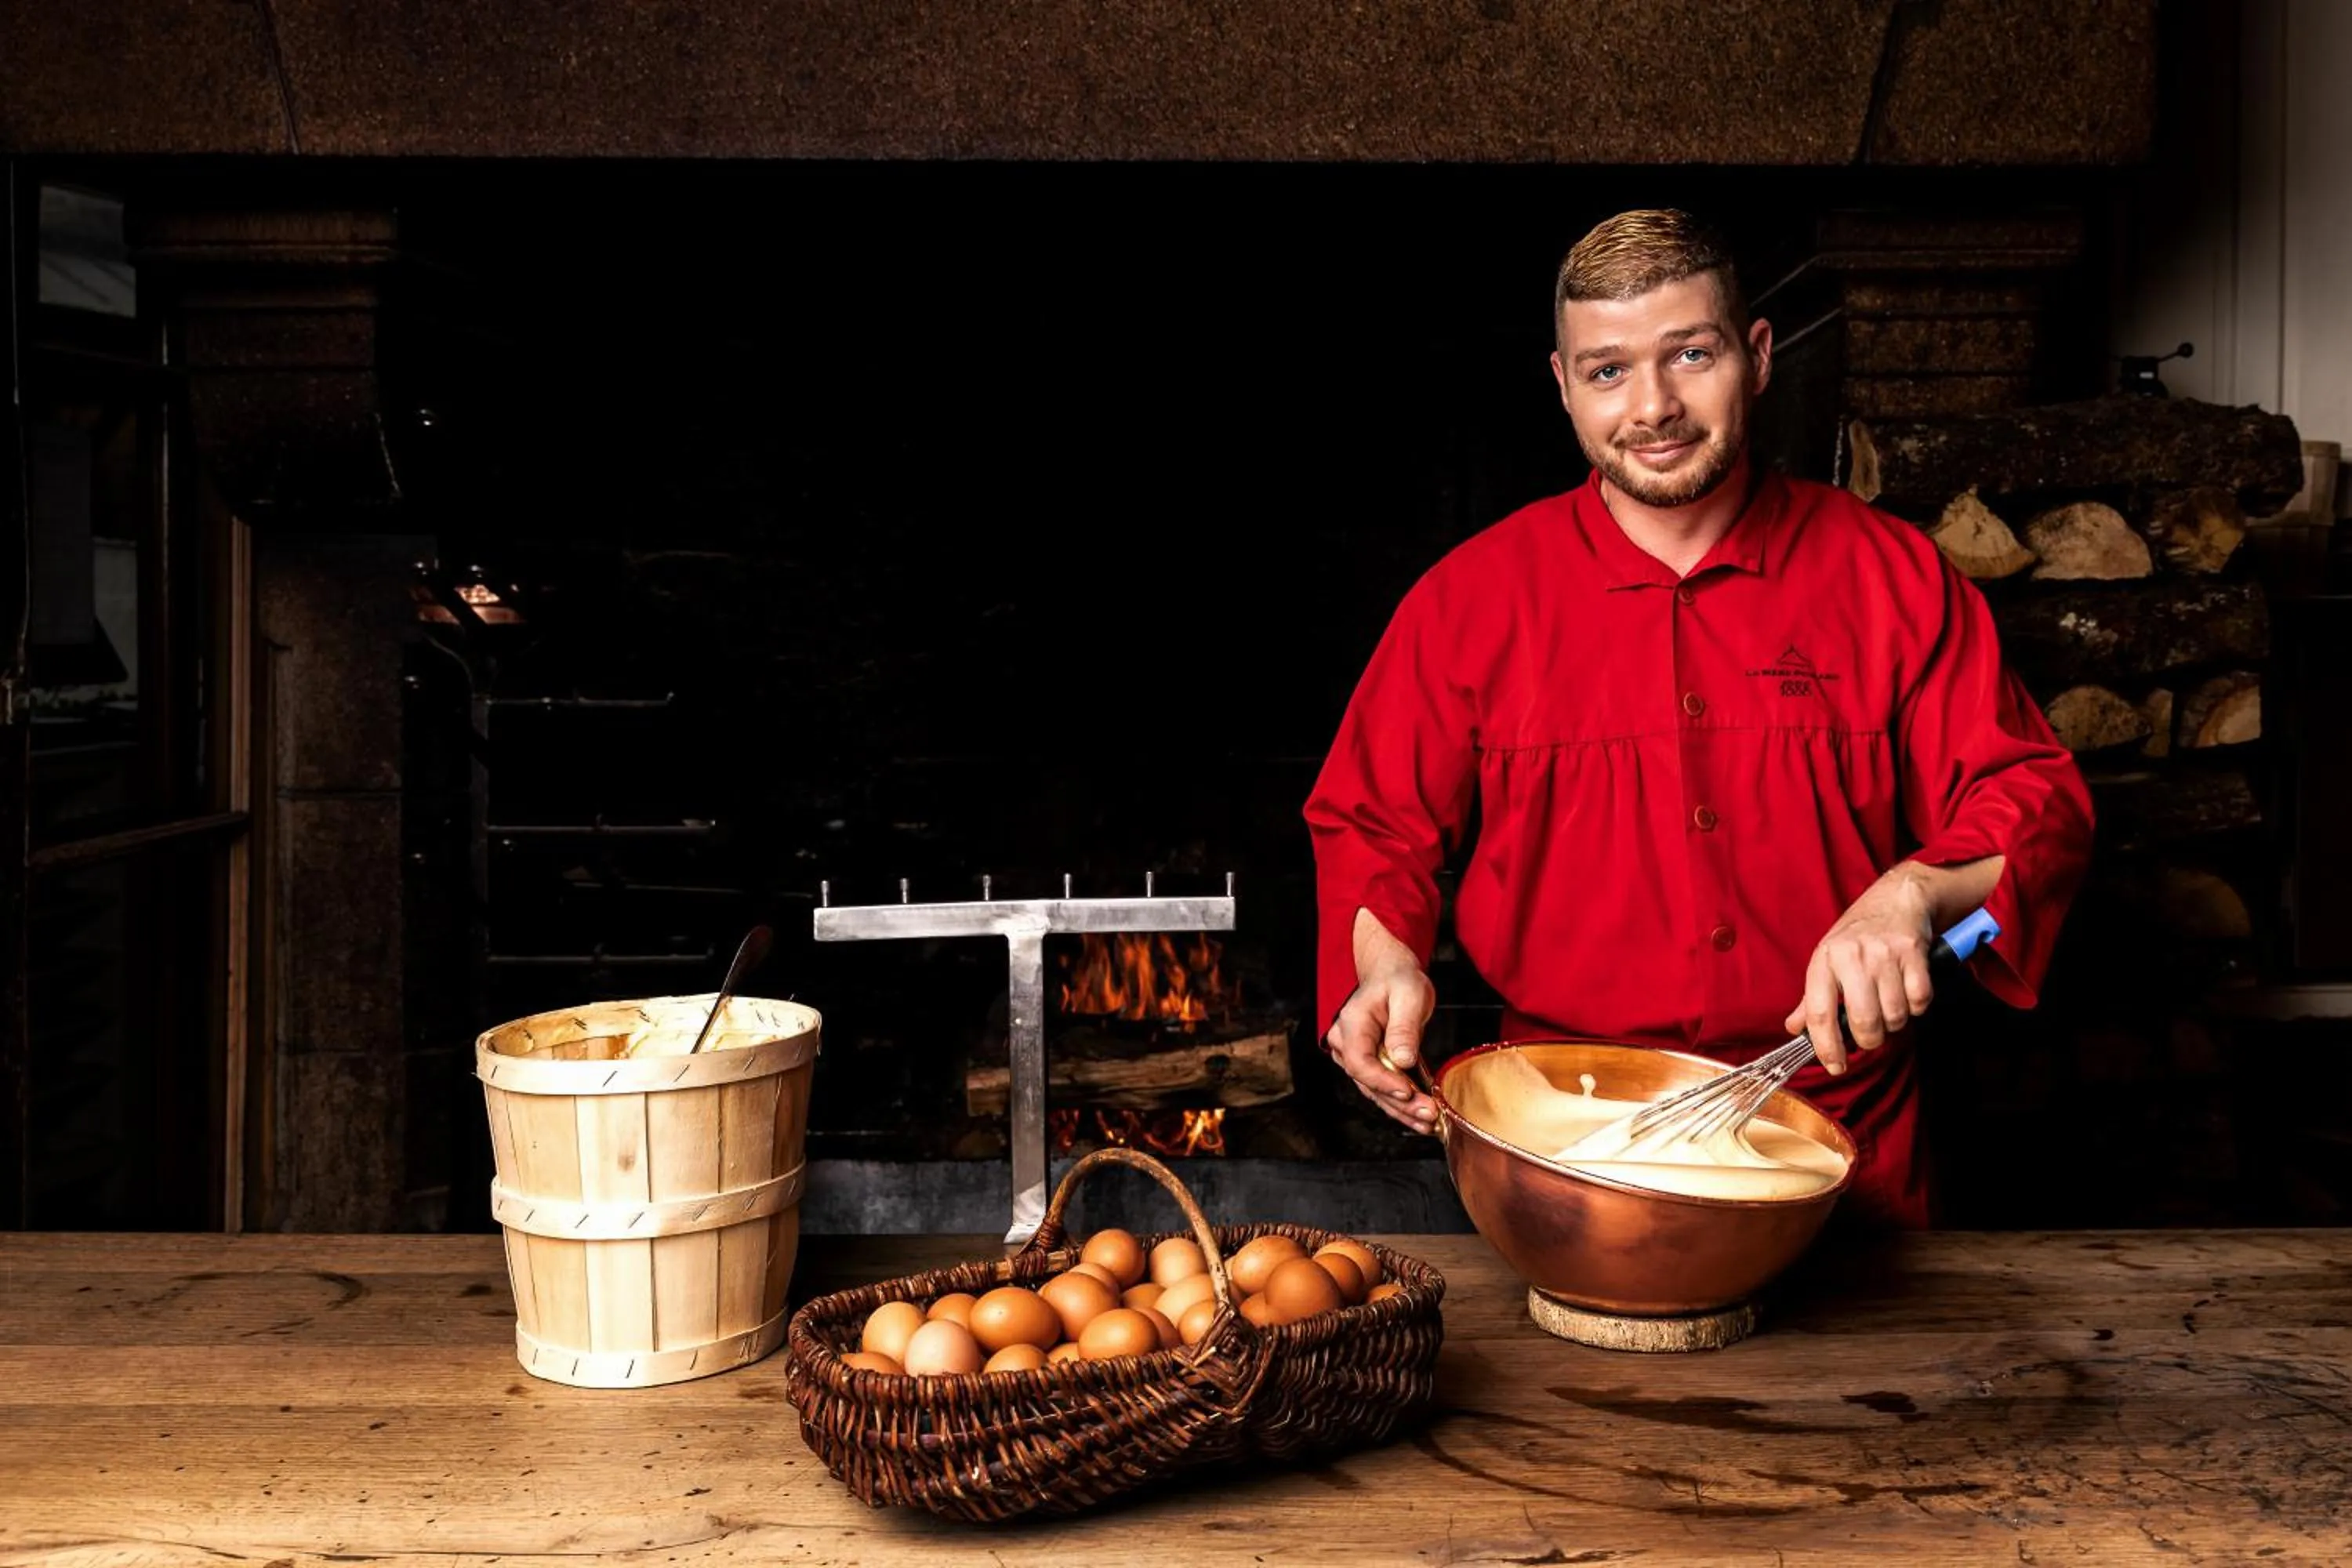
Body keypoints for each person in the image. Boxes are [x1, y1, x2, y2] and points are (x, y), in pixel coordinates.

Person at [1304, 209, 2093, 1227]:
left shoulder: (1890, 576)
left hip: (1839, 1141)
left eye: (1691, 354)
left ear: (1757, 357)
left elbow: (2036, 800)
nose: (1654, 407)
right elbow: (1372, 821)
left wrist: (1915, 894)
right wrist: (1383, 964)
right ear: (1562, 384)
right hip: (1565, 1149)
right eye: (1608, 371)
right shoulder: (1469, 601)